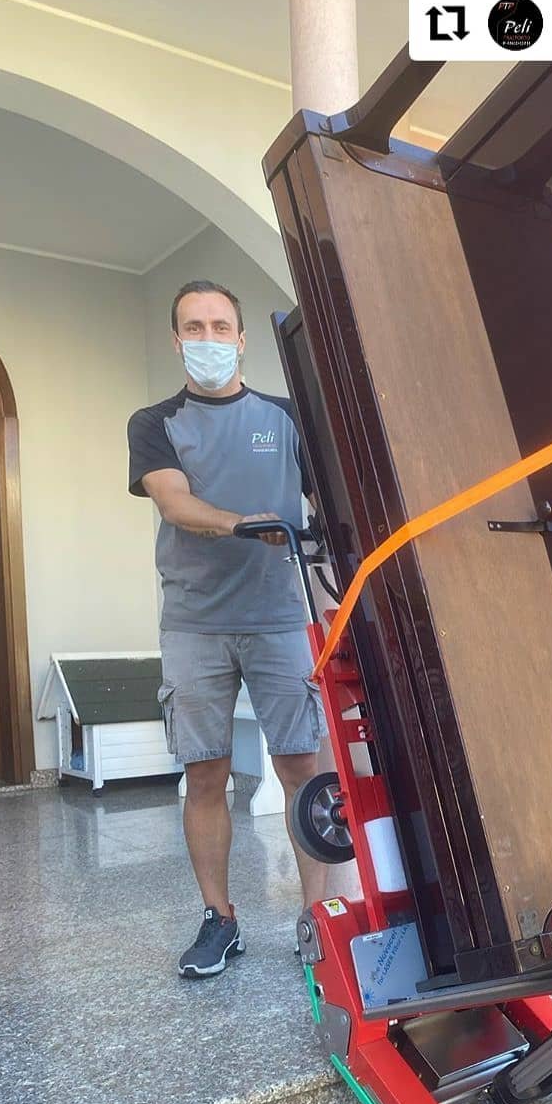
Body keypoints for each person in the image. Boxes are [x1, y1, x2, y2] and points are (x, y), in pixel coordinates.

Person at [127, 279, 329, 978]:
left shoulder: (288, 416)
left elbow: (327, 500)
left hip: (280, 617)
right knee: (206, 772)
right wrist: (247, 524)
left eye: (220, 326)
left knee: (303, 767)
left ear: (242, 339)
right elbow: (176, 503)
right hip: (195, 624)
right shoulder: (155, 422)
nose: (208, 339)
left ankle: (318, 923)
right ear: (176, 339)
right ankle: (221, 918)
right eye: (194, 327)